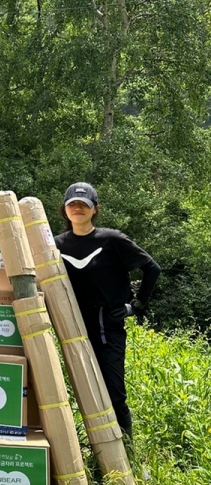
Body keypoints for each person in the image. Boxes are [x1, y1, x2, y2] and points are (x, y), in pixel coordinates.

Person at [54, 182, 161, 440]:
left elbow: (152, 268)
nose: (77, 209)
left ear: (95, 209)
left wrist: (135, 306)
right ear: (65, 210)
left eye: (84, 204)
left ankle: (126, 451)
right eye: (72, 204)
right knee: (81, 391)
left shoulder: (111, 240)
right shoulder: (55, 244)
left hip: (107, 324)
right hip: (72, 324)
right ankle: (95, 449)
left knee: (113, 391)